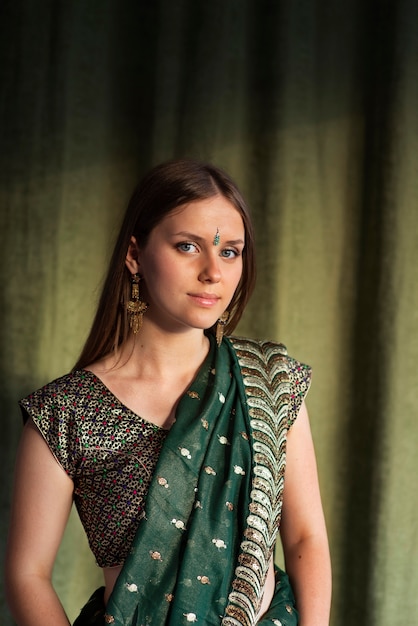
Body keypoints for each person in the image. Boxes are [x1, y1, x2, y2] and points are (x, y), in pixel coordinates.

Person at [5, 159, 331, 626]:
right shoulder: (67, 411)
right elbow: (27, 574)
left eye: (230, 252)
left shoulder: (267, 382)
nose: (212, 272)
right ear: (135, 255)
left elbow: (304, 539)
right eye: (187, 246)